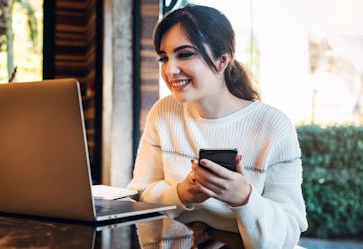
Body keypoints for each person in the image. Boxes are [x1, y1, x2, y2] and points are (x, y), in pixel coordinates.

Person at [128, 4, 308, 248]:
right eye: (163, 57)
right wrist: (181, 194)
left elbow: (289, 233)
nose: (169, 70)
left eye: (185, 54)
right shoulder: (163, 113)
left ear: (222, 59)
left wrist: (244, 199)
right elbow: (138, 197)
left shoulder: (274, 127)